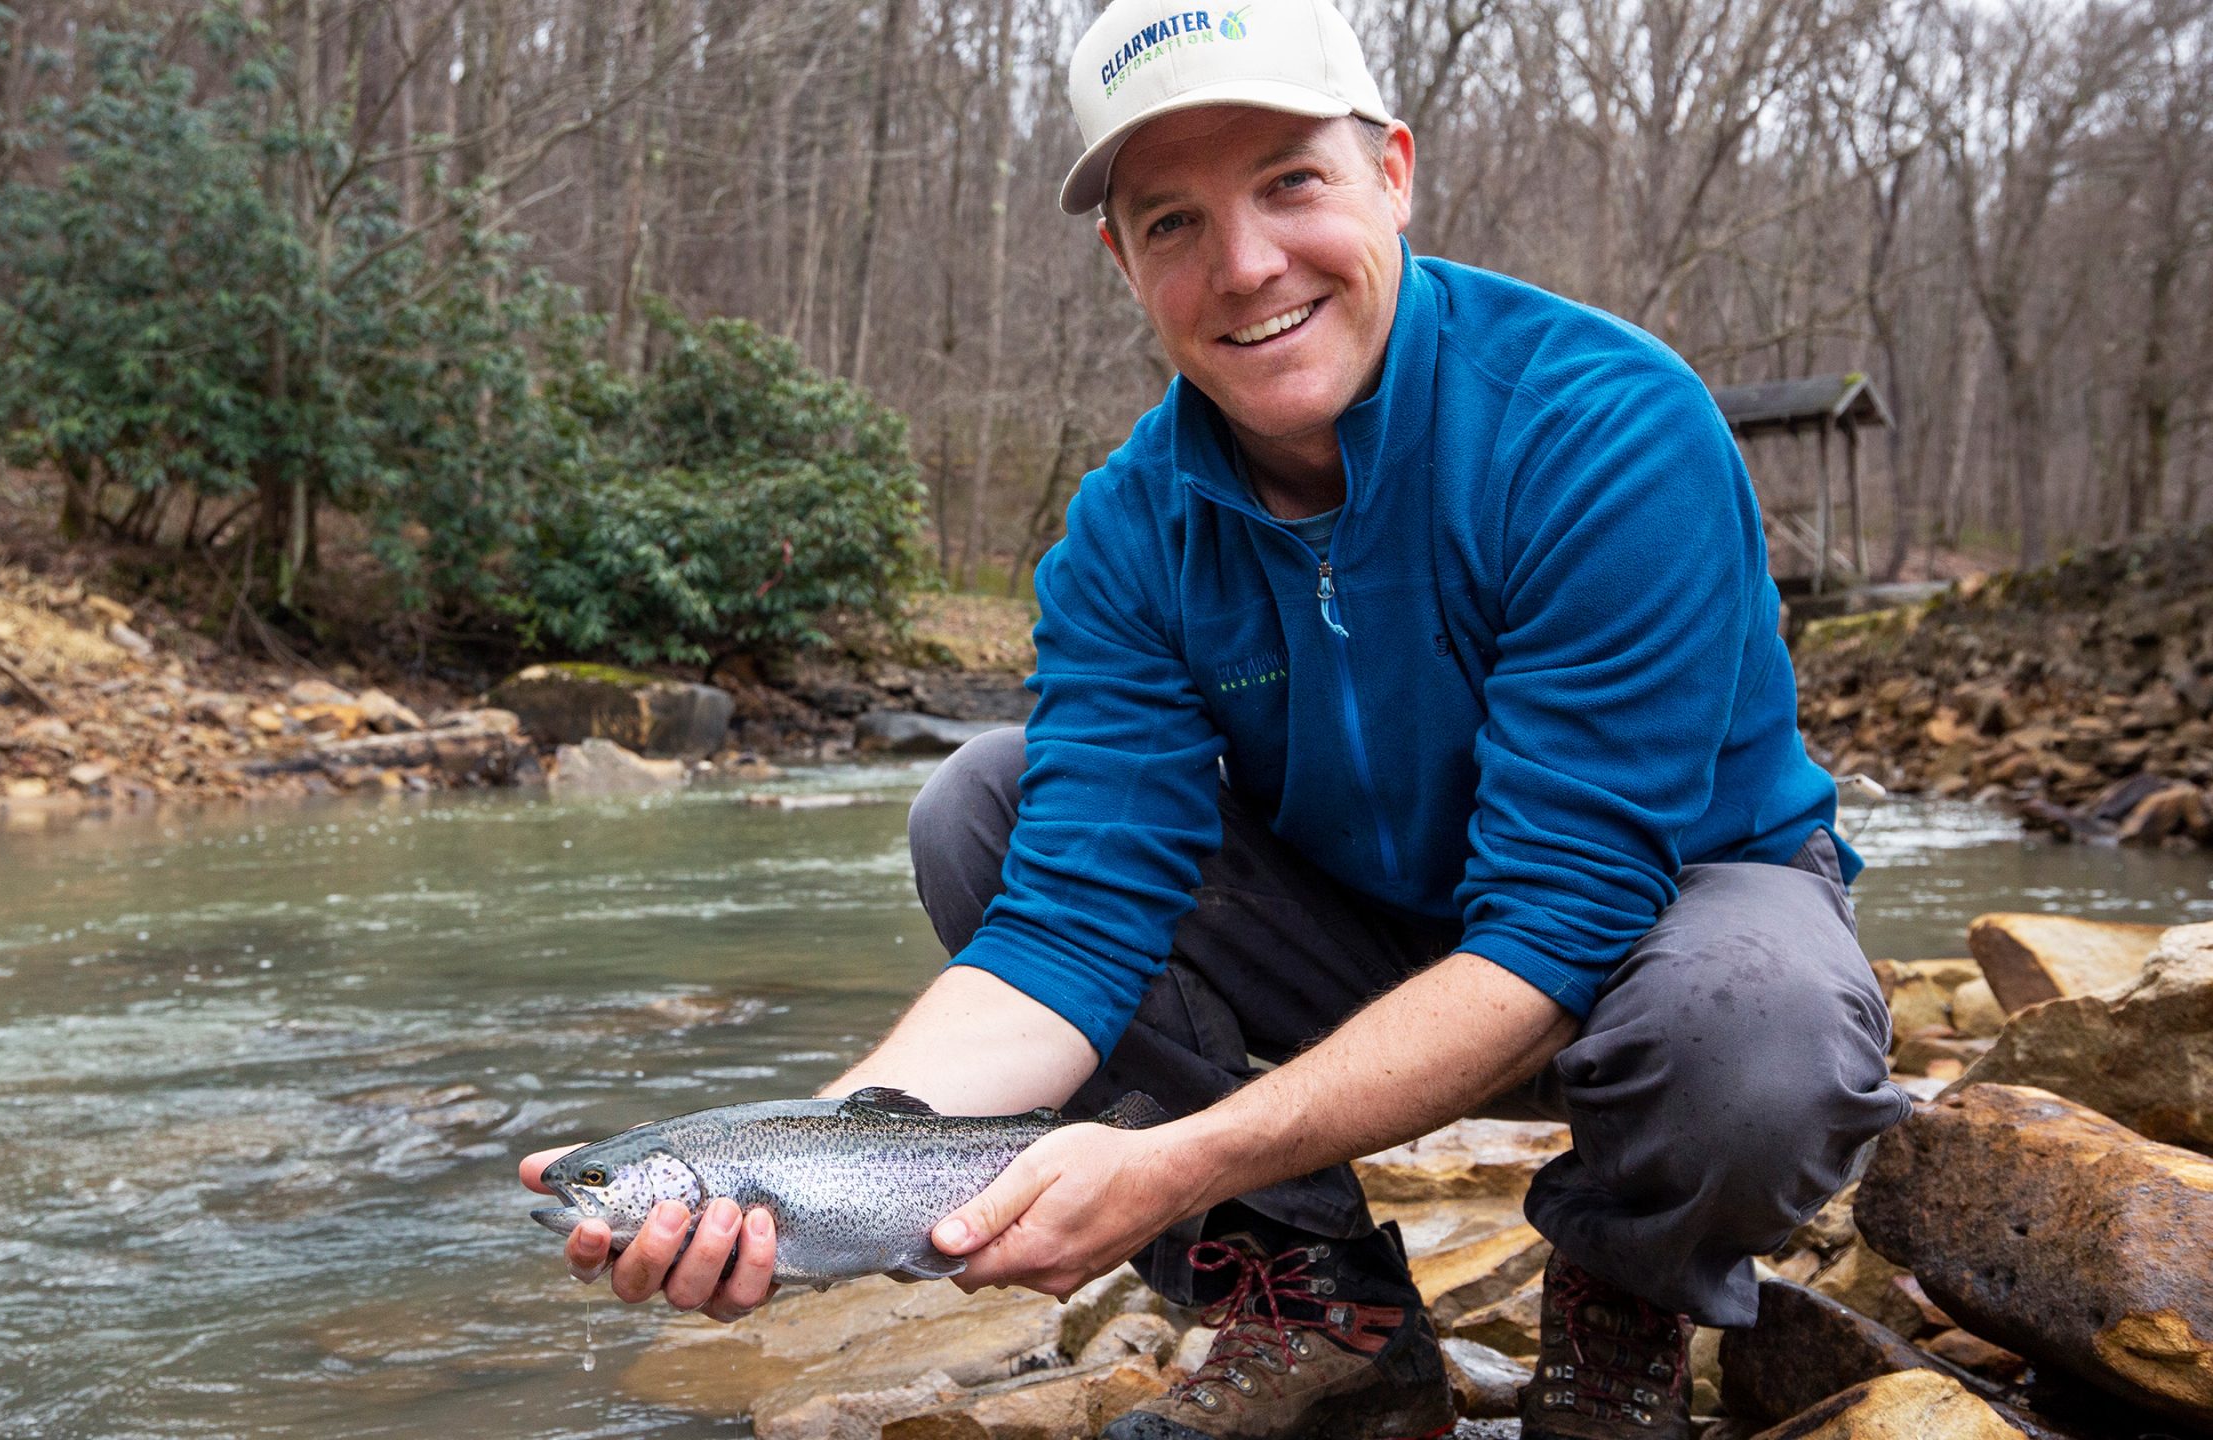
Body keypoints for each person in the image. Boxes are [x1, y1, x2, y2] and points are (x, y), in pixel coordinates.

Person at [521, 0, 1909, 1434]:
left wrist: (1178, 1160)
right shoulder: (1127, 532)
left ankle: (1623, 1293)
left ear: (1395, 173)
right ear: (1122, 259)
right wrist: (786, 1162)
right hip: (1363, 931)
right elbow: (1068, 932)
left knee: (1762, 1038)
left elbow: (1565, 919)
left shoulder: (1601, 425)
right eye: (1174, 222)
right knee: (982, 807)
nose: (1246, 267)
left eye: (1292, 183)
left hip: (1661, 925)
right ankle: (1319, 1309)